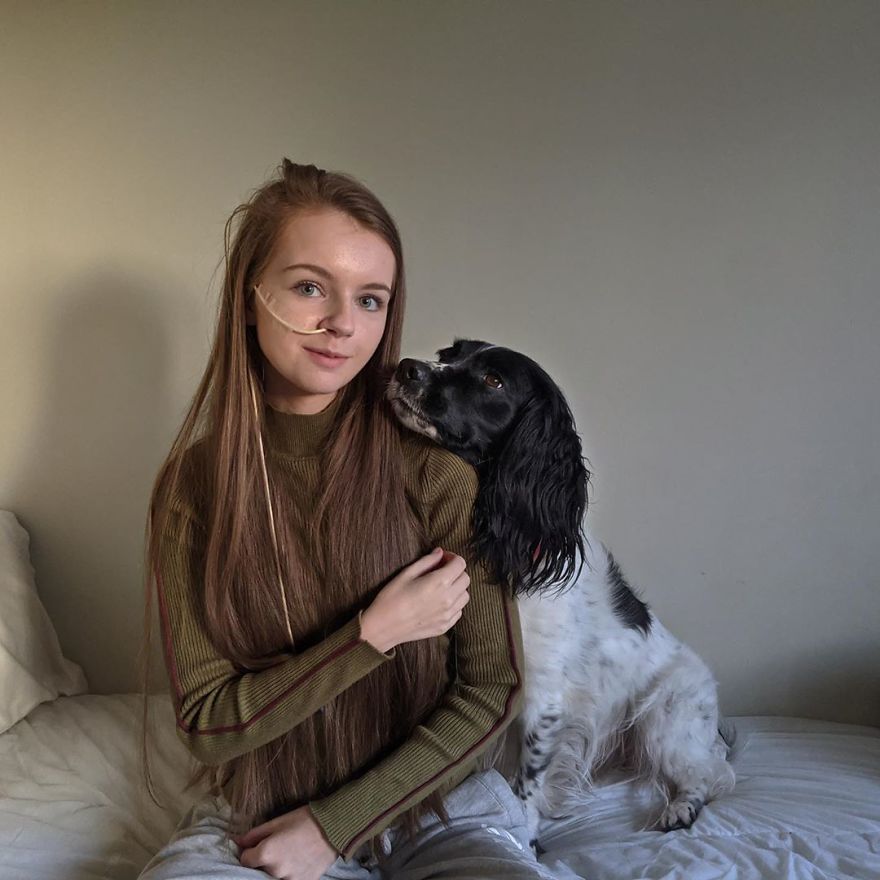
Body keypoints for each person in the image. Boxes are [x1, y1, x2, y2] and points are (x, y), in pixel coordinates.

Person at [137, 160, 559, 880]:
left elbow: (491, 690)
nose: (342, 324)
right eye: (310, 288)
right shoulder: (193, 486)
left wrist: (332, 829)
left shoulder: (434, 472)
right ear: (250, 297)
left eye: (371, 301)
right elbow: (211, 723)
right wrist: (373, 635)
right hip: (257, 809)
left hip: (438, 808)